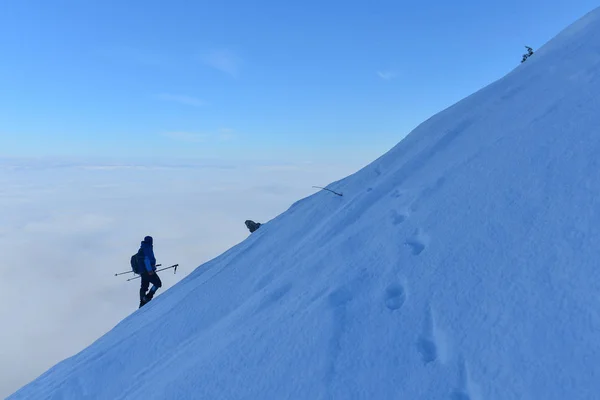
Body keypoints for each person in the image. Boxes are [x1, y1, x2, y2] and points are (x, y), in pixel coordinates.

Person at [138, 236, 162, 308]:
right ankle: (148, 297)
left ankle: (142, 302)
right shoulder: (147, 247)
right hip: (148, 271)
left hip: (142, 272)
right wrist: (150, 270)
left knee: (144, 286)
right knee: (158, 283)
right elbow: (146, 260)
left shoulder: (142, 248)